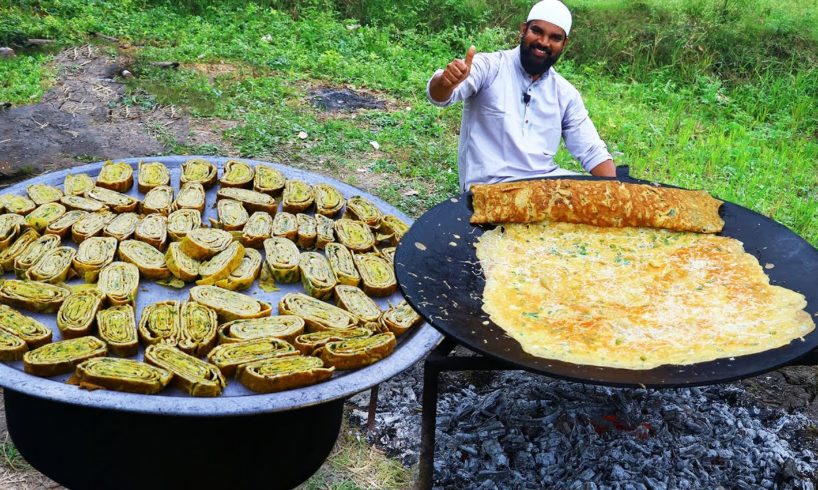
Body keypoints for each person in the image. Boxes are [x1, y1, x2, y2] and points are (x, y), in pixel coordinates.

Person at [427, 0, 615, 192]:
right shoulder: (491, 67)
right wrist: (446, 81)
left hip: (544, 189)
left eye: (555, 38)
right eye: (537, 31)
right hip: (490, 191)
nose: (543, 42)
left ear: (564, 44)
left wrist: (619, 192)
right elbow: (440, 96)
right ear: (523, 30)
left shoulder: (565, 94)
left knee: (595, 197)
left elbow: (592, 151)